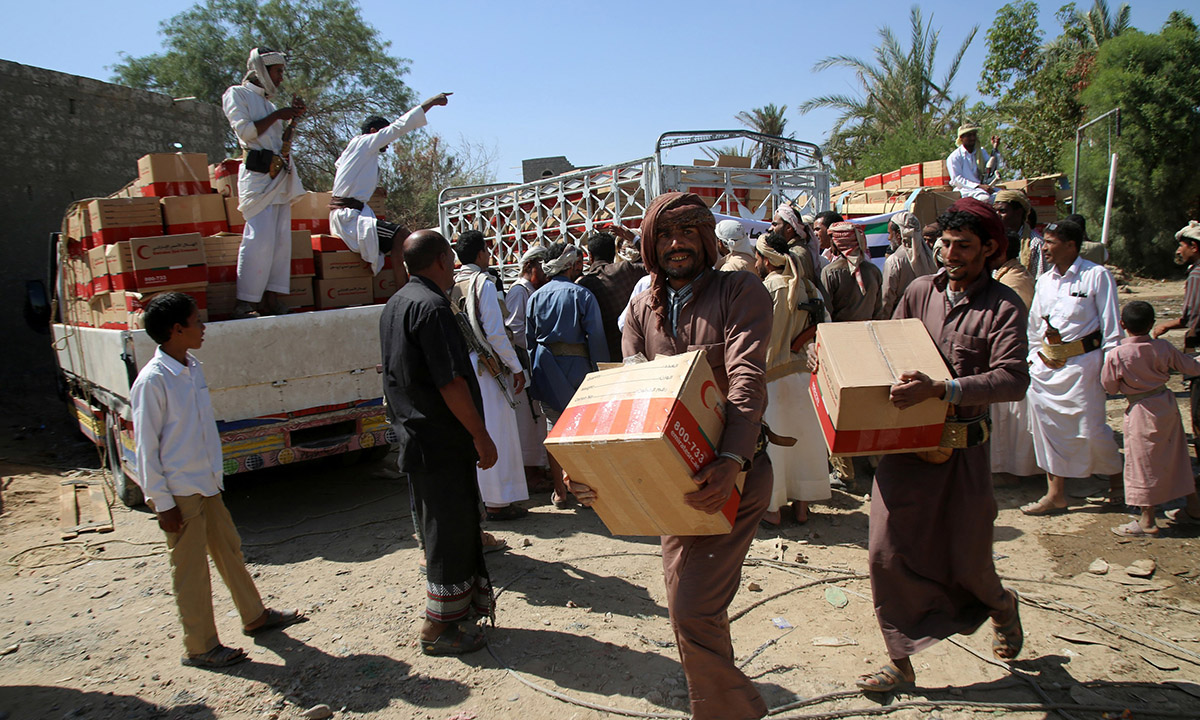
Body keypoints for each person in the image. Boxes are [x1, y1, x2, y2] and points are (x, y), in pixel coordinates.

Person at [570, 192, 775, 719]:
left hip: (731, 477)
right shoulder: (641, 306)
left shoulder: (740, 289)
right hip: (670, 483)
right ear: (649, 242)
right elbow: (632, 398)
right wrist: (595, 474)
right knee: (695, 608)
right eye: (665, 233)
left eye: (688, 231)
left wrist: (732, 461)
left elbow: (747, 379)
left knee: (690, 608)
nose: (677, 243)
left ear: (707, 238)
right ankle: (721, 703)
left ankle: (729, 711)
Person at [823, 197, 1028, 693]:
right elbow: (886, 348)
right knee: (886, 554)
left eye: (964, 246)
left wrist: (945, 389)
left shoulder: (1004, 307)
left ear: (990, 251)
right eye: (946, 243)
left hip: (963, 455)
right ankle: (900, 661)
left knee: (968, 560)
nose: (950, 253)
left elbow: (1012, 379)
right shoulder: (918, 291)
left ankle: (1001, 605)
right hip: (904, 448)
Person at [130, 292, 306, 669]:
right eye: (196, 321)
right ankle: (200, 646)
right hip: (180, 493)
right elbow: (145, 449)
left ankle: (254, 615)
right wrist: (162, 504)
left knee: (229, 551)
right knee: (191, 572)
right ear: (177, 330)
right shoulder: (153, 381)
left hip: (206, 483)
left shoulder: (191, 367)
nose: (203, 327)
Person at [381, 230, 497, 655]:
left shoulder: (396, 304)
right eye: (450, 259)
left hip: (418, 438)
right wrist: (481, 436)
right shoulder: (432, 308)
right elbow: (450, 383)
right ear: (443, 261)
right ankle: (439, 628)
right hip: (441, 441)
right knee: (449, 531)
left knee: (443, 529)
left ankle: (455, 617)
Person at [1021, 220, 1123, 516]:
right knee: (1048, 430)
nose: (1045, 248)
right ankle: (1056, 494)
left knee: (1091, 430)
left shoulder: (1097, 276)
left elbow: (1111, 327)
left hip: (1084, 368)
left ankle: (1116, 484)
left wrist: (1111, 367)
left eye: (1051, 242)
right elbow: (1034, 326)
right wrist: (1033, 359)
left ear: (1071, 246)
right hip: (1045, 370)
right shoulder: (1044, 281)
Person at [329, 93, 451, 284]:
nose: (388, 142)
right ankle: (404, 289)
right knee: (401, 236)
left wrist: (372, 191)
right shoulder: (364, 142)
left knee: (399, 237)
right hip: (349, 219)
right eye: (383, 135)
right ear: (373, 132)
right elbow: (398, 127)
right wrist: (431, 103)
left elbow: (343, 172)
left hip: (352, 213)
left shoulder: (359, 153)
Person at [222, 48, 307, 319]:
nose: (281, 78)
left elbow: (281, 143)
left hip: (279, 174)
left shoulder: (270, 106)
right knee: (259, 238)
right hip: (257, 175)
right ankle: (245, 302)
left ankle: (273, 299)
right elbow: (246, 131)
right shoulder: (236, 94)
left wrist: (292, 119)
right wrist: (278, 115)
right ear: (262, 70)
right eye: (278, 71)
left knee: (281, 240)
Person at [1103, 301, 1200, 536]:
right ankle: (1195, 509)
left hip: (1139, 409)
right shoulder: (1164, 347)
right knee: (1177, 456)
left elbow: (1110, 386)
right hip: (1166, 406)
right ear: (1152, 324)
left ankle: (1147, 520)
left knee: (1142, 462)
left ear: (1122, 324)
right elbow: (1192, 367)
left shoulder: (1116, 354)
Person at [452, 230, 529, 521]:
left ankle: (483, 500)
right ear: (482, 253)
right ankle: (498, 501)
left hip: (462, 367)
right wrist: (516, 367)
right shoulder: (482, 282)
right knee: (497, 431)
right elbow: (495, 333)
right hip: (486, 368)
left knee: (475, 431)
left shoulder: (451, 281)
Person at [754, 231, 829, 526]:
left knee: (774, 447)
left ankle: (772, 510)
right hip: (805, 376)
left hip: (771, 378)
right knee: (805, 443)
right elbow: (824, 328)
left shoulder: (766, 288)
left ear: (765, 260)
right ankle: (802, 507)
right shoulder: (810, 287)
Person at [526, 241, 608, 507]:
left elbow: (529, 340)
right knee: (582, 431)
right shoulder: (581, 294)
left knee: (554, 430)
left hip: (544, 368)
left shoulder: (535, 296)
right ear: (572, 265)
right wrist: (601, 374)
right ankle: (586, 493)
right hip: (578, 370)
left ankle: (560, 492)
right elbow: (595, 338)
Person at [988, 220, 1040, 479]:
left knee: (1013, 419)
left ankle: (1015, 471)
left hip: (1012, 355)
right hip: (1000, 354)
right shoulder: (1006, 275)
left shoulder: (1014, 280)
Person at [1153, 221, 1200, 474]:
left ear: (1194, 246)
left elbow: (1192, 318)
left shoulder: (1196, 275)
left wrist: (1168, 328)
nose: (1179, 251)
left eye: (1182, 246)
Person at [504, 246, 551, 491]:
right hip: (523, 366)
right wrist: (538, 342)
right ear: (532, 265)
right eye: (543, 266)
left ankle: (539, 470)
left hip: (532, 364)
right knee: (527, 422)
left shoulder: (532, 290)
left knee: (537, 420)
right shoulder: (519, 292)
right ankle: (530, 475)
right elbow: (514, 330)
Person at [576, 231, 647, 363]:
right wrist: (635, 239)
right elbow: (654, 265)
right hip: (636, 348)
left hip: (604, 356)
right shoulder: (626, 269)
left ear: (590, 256)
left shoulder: (583, 285)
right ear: (614, 252)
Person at [820, 221, 884, 322]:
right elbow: (879, 310)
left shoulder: (830, 272)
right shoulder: (874, 271)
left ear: (837, 243)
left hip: (840, 332)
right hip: (868, 331)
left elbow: (826, 310)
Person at [881, 211, 937, 318]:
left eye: (890, 233)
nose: (889, 238)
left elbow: (886, 298)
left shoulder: (894, 261)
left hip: (902, 316)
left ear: (898, 234)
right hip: (928, 315)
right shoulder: (930, 255)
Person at [993, 189, 1045, 277]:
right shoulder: (994, 240)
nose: (997, 215)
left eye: (1002, 211)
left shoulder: (1035, 243)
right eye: (995, 211)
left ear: (1018, 212)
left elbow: (1040, 279)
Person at [947, 124, 1000, 202]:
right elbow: (957, 179)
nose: (972, 138)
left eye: (974, 135)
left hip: (984, 188)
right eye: (969, 135)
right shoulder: (955, 157)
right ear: (961, 138)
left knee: (1004, 196)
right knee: (985, 199)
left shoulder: (981, 152)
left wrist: (995, 148)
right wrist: (978, 186)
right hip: (966, 190)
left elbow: (990, 168)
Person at [771, 204, 824, 280]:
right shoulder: (792, 249)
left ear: (789, 228)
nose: (770, 229)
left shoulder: (796, 254)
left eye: (775, 224)